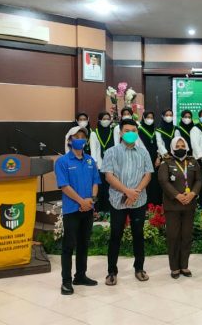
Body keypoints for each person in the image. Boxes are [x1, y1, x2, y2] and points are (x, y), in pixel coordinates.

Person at [101, 119, 154, 285]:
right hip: (118, 200)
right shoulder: (111, 152)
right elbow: (108, 176)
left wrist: (135, 192)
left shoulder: (143, 153)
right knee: (115, 235)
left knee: (138, 234)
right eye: (127, 130)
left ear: (137, 133)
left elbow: (148, 175)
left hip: (138, 200)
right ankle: (111, 271)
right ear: (120, 133)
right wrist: (127, 191)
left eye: (134, 130)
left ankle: (139, 268)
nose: (130, 133)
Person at [55, 126, 100, 295]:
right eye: (76, 136)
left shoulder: (90, 160)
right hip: (72, 209)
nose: (80, 139)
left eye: (83, 136)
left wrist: (91, 200)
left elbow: (95, 182)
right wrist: (81, 201)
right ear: (69, 140)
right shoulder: (62, 161)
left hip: (88, 208)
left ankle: (80, 276)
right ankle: (66, 282)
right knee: (69, 246)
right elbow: (64, 186)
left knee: (83, 244)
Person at [158, 136, 202, 279]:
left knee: (186, 236)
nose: (180, 148)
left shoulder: (193, 162)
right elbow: (163, 181)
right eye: (177, 146)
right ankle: (174, 268)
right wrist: (177, 196)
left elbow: (199, 180)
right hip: (173, 206)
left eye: (183, 146)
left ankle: (184, 266)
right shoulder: (166, 162)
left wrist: (193, 194)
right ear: (172, 148)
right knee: (173, 236)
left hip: (189, 204)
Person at [89, 111, 114, 212]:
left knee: (109, 189)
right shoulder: (94, 133)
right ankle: (97, 211)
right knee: (98, 189)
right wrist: (94, 164)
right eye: (104, 119)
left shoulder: (113, 132)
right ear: (99, 120)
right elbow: (93, 150)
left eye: (108, 119)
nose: (106, 121)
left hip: (111, 166)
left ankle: (108, 211)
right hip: (98, 165)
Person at [138, 111, 162, 205]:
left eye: (152, 118)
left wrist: (158, 157)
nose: (150, 119)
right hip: (143, 160)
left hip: (155, 160)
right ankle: (145, 204)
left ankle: (155, 204)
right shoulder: (139, 130)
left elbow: (159, 145)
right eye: (148, 117)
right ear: (143, 118)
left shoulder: (156, 130)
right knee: (145, 180)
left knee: (155, 182)